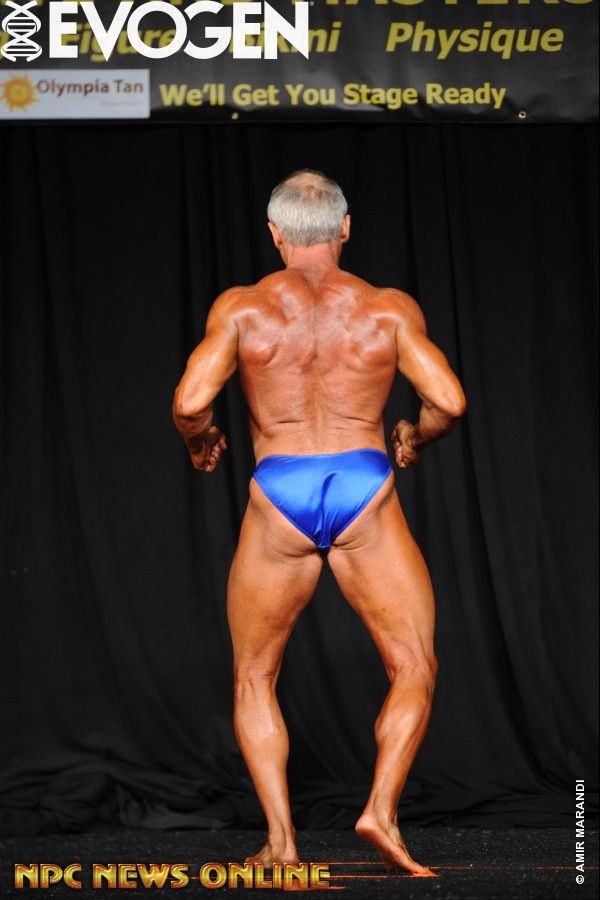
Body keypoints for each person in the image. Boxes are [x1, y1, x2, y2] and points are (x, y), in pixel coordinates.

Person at [172, 169, 466, 877]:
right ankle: (381, 812)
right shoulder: (386, 309)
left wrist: (199, 441)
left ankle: (282, 844)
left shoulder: (241, 308)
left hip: (281, 490)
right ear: (345, 229)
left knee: (254, 675)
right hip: (364, 485)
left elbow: (189, 402)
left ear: (275, 235)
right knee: (414, 665)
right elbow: (450, 402)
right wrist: (415, 436)